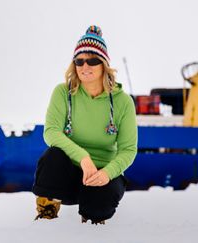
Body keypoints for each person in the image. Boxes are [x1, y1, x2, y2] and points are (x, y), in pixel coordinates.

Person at [32, 25, 137, 225]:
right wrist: (83, 158)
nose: (85, 66)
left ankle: (92, 220)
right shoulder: (63, 93)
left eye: (92, 60)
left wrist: (107, 173)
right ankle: (47, 212)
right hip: (69, 175)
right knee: (52, 156)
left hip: (101, 175)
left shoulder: (123, 102)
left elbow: (128, 149)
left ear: (104, 64)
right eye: (79, 61)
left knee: (99, 206)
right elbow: (51, 132)